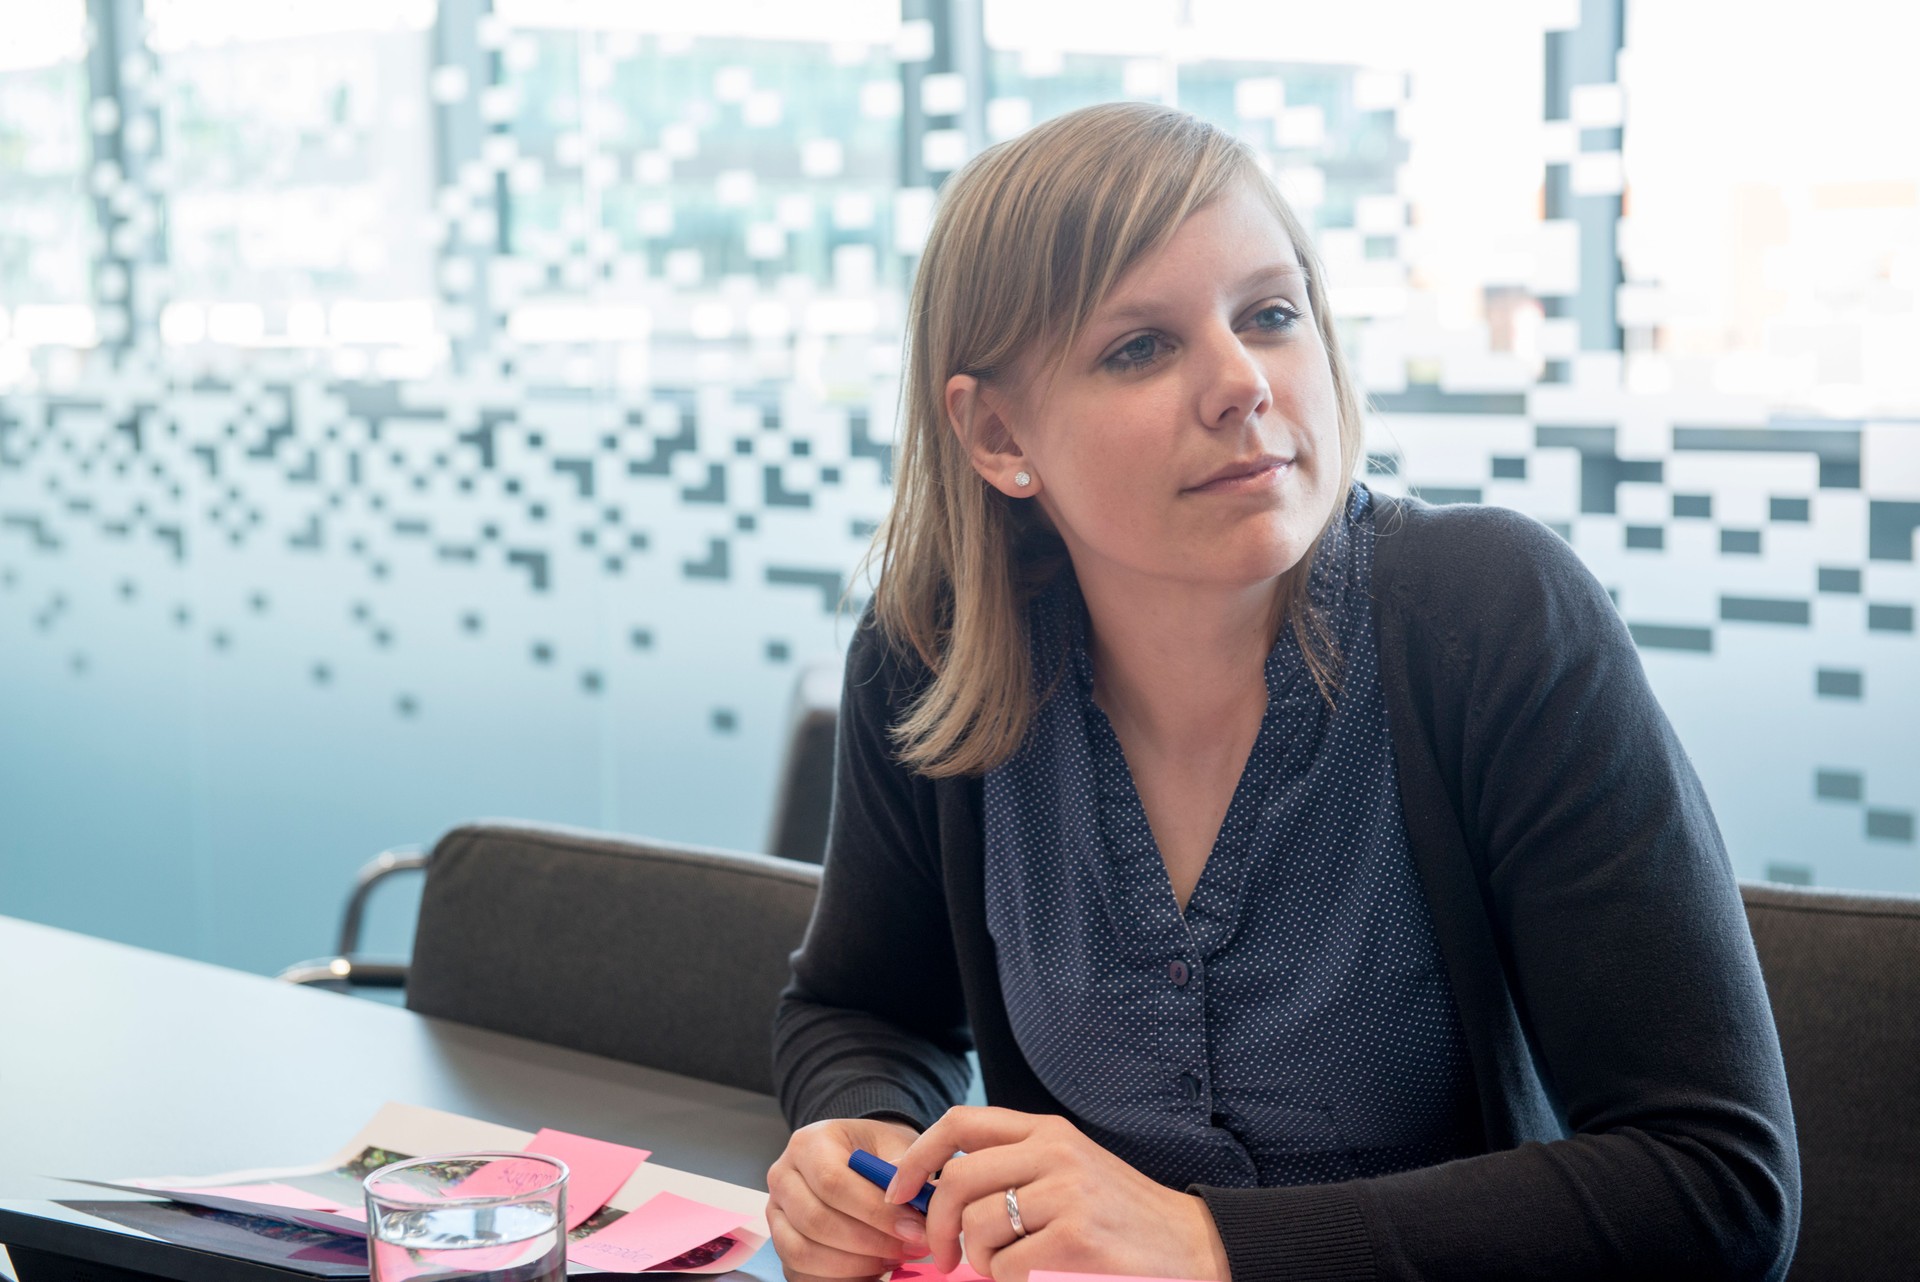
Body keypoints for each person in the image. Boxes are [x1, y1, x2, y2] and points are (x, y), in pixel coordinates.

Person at [765, 102, 1798, 1282]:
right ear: (999, 432)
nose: (1243, 383)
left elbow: (1716, 1183)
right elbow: (863, 1011)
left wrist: (1212, 1243)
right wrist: (866, 1144)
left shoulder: (1490, 615)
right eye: (1140, 346)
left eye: (1270, 314)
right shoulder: (932, 652)